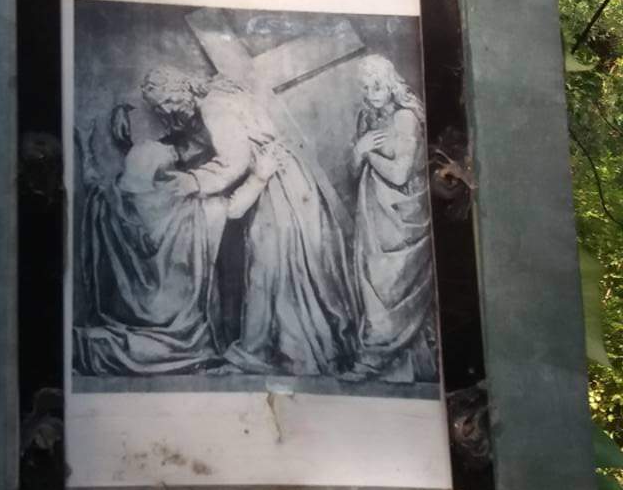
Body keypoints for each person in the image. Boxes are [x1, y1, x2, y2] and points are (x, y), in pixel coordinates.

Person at [141, 67, 360, 376]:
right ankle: (286, 347)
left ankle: (272, 352)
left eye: (166, 100)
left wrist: (190, 182)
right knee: (280, 266)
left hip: (276, 184)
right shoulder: (217, 96)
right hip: (286, 178)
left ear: (180, 89)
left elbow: (234, 162)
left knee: (269, 266)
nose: (165, 110)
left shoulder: (213, 107)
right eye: (158, 107)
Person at [73, 127, 278, 376]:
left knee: (97, 343)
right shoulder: (186, 211)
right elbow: (234, 209)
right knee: (167, 350)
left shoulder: (107, 204)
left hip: (125, 321)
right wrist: (259, 177)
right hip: (182, 332)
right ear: (165, 179)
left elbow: (92, 181)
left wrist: (86, 148)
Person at [351, 54, 438, 382]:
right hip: (373, 214)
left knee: (393, 283)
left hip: (403, 215)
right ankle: (386, 361)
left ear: (390, 84)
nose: (372, 93)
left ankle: (378, 356)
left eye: (377, 86)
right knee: (373, 281)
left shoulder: (406, 118)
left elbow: (400, 175)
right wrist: (357, 153)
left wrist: (366, 153)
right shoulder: (366, 116)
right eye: (366, 87)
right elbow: (352, 171)